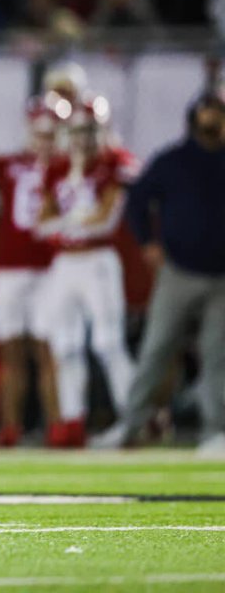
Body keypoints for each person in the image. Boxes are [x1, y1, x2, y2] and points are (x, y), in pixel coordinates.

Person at [96, 89, 225, 454]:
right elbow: (137, 200)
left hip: (222, 277)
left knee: (217, 355)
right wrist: (147, 243)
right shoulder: (173, 160)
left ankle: (217, 430)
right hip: (179, 271)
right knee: (156, 348)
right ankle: (130, 424)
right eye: (210, 114)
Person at [35, 95, 137, 448]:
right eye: (76, 130)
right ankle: (72, 420)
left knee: (108, 343)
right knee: (65, 345)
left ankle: (133, 417)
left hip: (98, 260)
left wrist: (69, 223)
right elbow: (42, 221)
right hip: (65, 262)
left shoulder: (114, 162)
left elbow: (105, 220)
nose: (82, 138)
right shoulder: (58, 167)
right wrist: (73, 221)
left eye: (89, 130)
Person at [0, 95, 64, 448]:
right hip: (11, 269)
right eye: (40, 131)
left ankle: (58, 427)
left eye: (51, 132)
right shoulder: (7, 165)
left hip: (50, 270)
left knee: (49, 352)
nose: (45, 140)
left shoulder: (68, 165)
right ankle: (10, 428)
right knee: (12, 354)